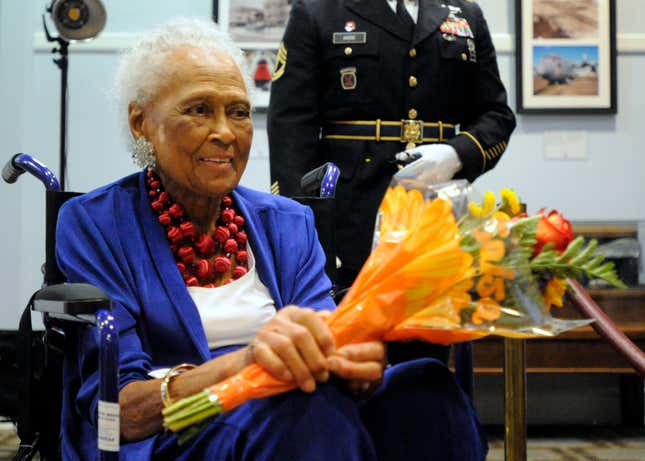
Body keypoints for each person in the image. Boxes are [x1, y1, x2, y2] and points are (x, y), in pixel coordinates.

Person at [56, 18, 486, 460]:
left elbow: (328, 340)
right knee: (307, 410)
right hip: (180, 434)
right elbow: (121, 410)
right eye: (199, 109)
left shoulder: (287, 222)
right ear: (141, 121)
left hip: (304, 414)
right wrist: (244, 366)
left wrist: (353, 361)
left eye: (238, 112)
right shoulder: (95, 223)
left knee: (427, 391)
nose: (225, 131)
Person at [268, 0, 516, 290]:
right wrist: (302, 227)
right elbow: (290, 128)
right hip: (349, 217)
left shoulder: (464, 14)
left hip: (437, 212)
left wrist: (455, 154)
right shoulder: (318, 11)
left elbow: (496, 115)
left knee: (436, 326)